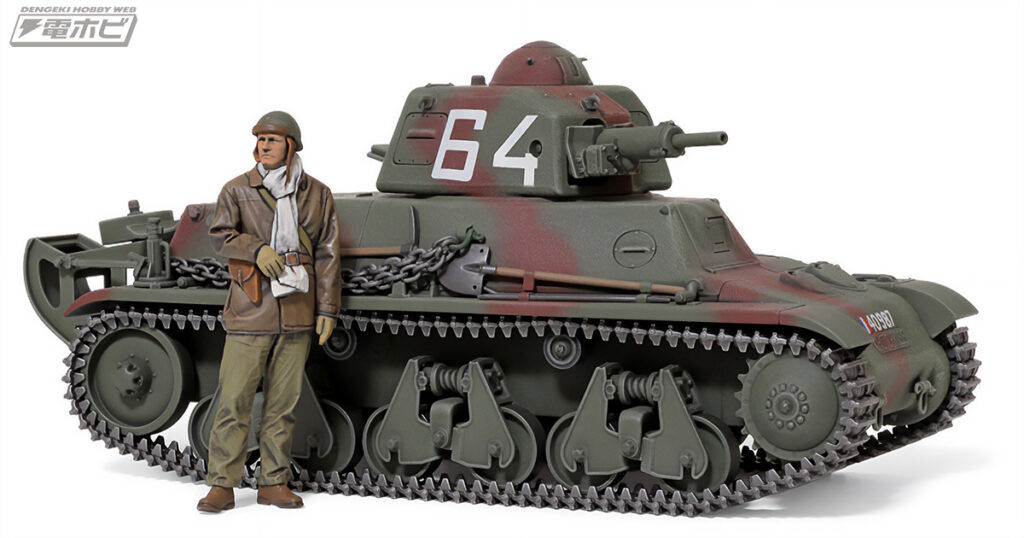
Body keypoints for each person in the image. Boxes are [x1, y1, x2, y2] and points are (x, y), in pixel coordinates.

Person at [197, 111, 341, 513]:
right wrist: (255, 249)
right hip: (252, 306)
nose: (264, 145)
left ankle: (273, 481)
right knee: (234, 400)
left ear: (291, 146)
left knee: (283, 404)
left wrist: (327, 308)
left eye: (273, 139)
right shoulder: (236, 190)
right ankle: (222, 484)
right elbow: (220, 235)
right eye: (260, 139)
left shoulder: (317, 193)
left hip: (297, 307)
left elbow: (328, 253)